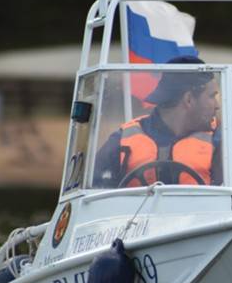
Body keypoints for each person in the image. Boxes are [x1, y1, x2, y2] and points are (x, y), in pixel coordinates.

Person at [93, 56, 222, 188]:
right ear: (189, 99)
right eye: (212, 96)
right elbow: (94, 193)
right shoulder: (122, 140)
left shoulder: (219, 142)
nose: (217, 106)